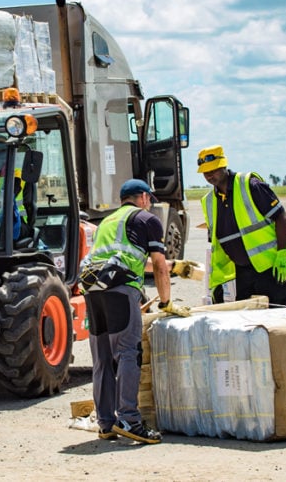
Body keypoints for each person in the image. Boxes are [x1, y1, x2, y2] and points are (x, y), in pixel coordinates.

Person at [81, 179, 171, 445]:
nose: (150, 203)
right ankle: (131, 421)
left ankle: (106, 423)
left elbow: (124, 256)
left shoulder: (106, 223)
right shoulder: (147, 219)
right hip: (121, 290)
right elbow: (159, 264)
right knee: (128, 354)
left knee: (103, 359)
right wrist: (166, 302)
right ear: (142, 197)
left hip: (94, 291)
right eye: (149, 199)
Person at [197, 145, 286, 307]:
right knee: (246, 319)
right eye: (206, 172)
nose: (209, 175)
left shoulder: (250, 185)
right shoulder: (209, 201)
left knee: (276, 313)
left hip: (271, 265)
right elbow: (216, 243)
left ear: (224, 165)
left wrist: (282, 253)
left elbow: (281, 216)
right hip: (243, 270)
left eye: (213, 170)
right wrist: (216, 282)